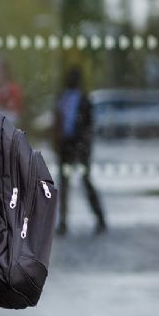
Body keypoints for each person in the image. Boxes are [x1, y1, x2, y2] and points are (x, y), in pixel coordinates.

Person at [54, 67, 107, 235]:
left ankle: (100, 218)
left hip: (79, 146)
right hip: (66, 145)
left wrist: (83, 146)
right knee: (64, 185)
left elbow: (88, 126)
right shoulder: (62, 98)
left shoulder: (84, 100)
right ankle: (63, 221)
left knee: (85, 182)